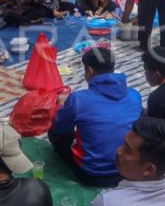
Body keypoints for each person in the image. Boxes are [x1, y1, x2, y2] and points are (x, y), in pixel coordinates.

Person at [49, 47, 143, 187]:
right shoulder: (134, 95)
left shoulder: (78, 99)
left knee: (55, 132)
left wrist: (61, 106)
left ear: (90, 71)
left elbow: (59, 127)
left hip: (93, 174)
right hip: (128, 169)